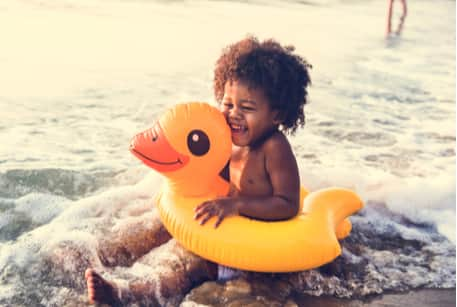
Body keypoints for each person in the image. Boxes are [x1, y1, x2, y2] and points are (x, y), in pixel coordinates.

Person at [85, 36, 312, 305]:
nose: (234, 114)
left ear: (276, 115)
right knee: (157, 229)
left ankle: (126, 294)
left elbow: (287, 204)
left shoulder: (274, 149)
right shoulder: (230, 139)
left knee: (185, 268)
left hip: (248, 250)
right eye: (228, 104)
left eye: (247, 108)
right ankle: (102, 256)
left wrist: (236, 205)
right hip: (227, 224)